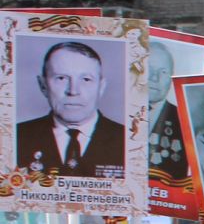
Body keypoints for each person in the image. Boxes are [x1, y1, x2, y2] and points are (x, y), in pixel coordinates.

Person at [15, 40, 125, 178]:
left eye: (85, 79)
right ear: (43, 85)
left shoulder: (128, 141)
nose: (73, 91)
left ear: (101, 87)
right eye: (61, 78)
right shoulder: (15, 137)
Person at [149, 41, 188, 181]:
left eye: (163, 72)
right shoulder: (115, 118)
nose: (154, 78)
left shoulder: (184, 120)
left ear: (171, 78)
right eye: (149, 69)